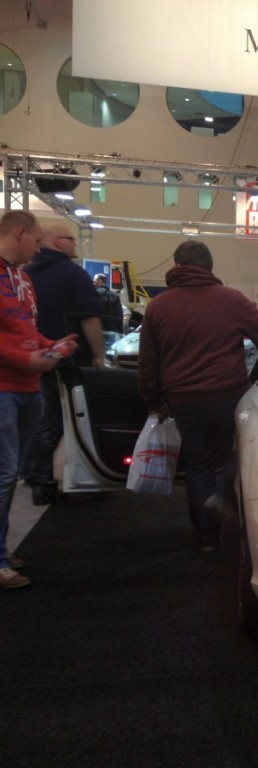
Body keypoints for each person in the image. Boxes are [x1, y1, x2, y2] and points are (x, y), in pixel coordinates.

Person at [137, 240, 258, 552]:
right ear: (210, 266)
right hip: (228, 395)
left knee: (199, 464)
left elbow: (148, 362)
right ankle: (222, 492)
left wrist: (153, 402)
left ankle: (207, 538)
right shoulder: (232, 300)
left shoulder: (158, 307)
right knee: (238, 452)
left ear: (177, 266)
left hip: (183, 400)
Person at [0, 211, 76, 588]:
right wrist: (27, 359)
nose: (39, 247)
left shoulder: (25, 280)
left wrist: (51, 345)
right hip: (4, 388)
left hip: (29, 388)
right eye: (36, 239)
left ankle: (1, 550)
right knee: (4, 476)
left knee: (11, 476)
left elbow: (26, 330)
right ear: (20, 233)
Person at [22, 223, 107, 506]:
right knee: (67, 420)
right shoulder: (73, 274)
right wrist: (98, 354)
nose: (74, 243)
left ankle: (33, 474)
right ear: (58, 242)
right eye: (71, 239)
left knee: (40, 417)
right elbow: (89, 318)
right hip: (68, 360)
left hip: (33, 359)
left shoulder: (25, 274)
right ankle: (57, 482)